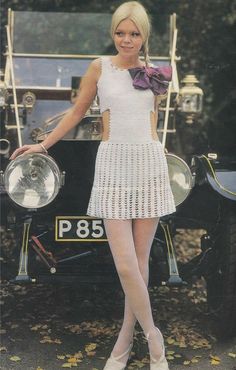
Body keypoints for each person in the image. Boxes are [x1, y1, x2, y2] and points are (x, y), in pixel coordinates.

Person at [10, 2, 176, 369]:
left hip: (148, 164)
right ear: (113, 33)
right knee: (126, 265)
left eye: (134, 33)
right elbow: (76, 111)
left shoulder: (155, 74)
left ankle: (123, 343)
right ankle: (155, 340)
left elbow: (152, 123)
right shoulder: (99, 68)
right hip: (113, 164)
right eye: (120, 32)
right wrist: (42, 145)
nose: (126, 39)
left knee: (142, 263)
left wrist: (160, 158)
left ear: (144, 36)